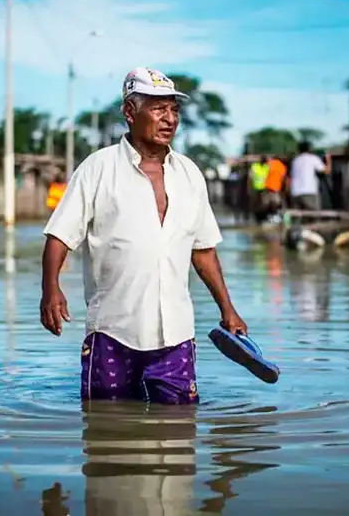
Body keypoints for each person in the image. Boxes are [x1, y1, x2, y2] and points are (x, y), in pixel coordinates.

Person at [40, 66, 249, 405]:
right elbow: (60, 236)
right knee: (105, 428)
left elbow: (204, 250)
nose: (170, 119)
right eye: (158, 109)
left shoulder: (190, 174)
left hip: (176, 334)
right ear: (129, 112)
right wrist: (51, 289)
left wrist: (228, 310)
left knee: (180, 432)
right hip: (113, 330)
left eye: (174, 110)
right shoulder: (98, 168)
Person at [288, 141, 326, 210]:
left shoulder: (295, 160)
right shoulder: (313, 158)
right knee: (313, 216)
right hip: (309, 191)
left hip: (295, 192)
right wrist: (329, 160)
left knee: (297, 218)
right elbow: (326, 171)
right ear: (309, 149)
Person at [261, 154, 287, 219]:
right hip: (275, 188)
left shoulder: (269, 163)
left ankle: (268, 217)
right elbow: (283, 178)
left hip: (267, 186)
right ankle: (275, 216)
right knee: (276, 203)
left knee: (267, 203)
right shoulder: (282, 166)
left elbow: (264, 174)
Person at [249, 156, 270, 222]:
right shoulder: (255, 166)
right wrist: (249, 188)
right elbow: (250, 178)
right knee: (257, 205)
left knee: (264, 204)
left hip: (264, 189)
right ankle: (258, 218)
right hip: (256, 188)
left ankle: (263, 218)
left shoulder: (267, 167)